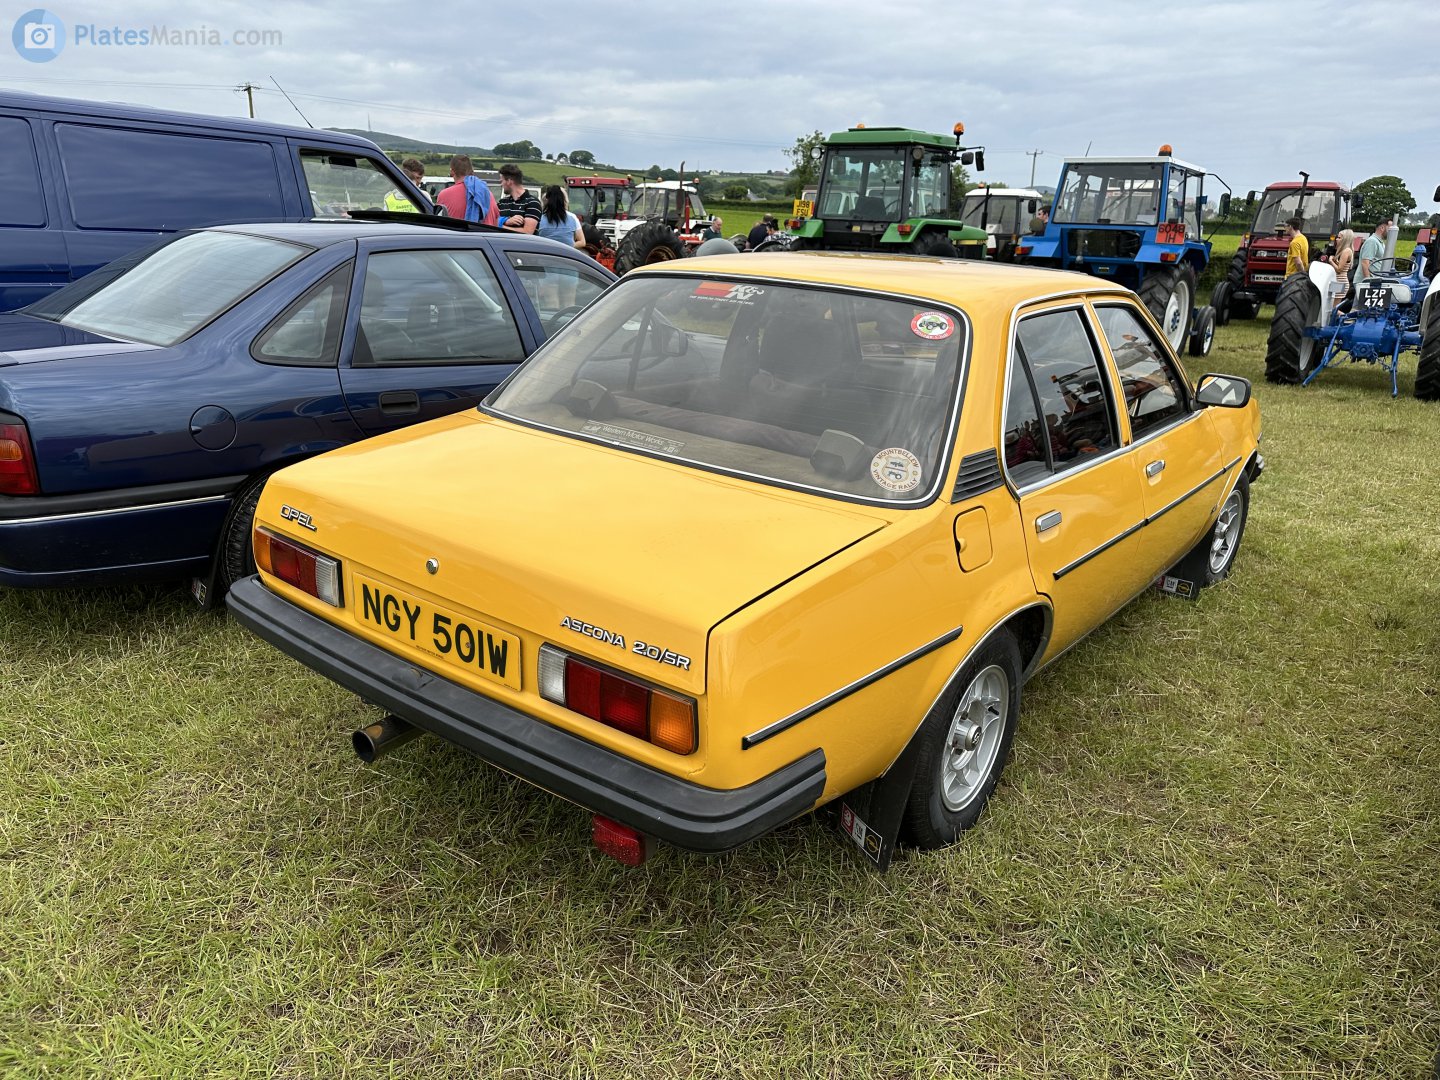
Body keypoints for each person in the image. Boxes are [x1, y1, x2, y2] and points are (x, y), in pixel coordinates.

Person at [436, 155, 498, 225]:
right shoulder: (488, 194)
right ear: (472, 171)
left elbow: (438, 224)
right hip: (486, 232)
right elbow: (496, 223)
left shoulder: (444, 195)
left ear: (452, 172)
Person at [497, 164, 542, 235]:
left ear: (509, 181)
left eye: (501, 181)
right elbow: (490, 221)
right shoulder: (502, 202)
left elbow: (527, 232)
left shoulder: (533, 203)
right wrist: (506, 221)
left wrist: (500, 226)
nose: (501, 184)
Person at [1353, 218, 1392, 289]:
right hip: (1366, 283)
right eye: (1390, 228)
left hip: (1374, 282)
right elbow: (1365, 263)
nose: (1392, 232)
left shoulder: (1380, 242)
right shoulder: (1372, 241)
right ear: (1382, 228)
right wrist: (1368, 282)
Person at [1328, 228, 1355, 306]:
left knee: (1333, 308)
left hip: (1340, 282)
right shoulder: (1345, 250)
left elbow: (1339, 269)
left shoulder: (1346, 251)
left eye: (1339, 238)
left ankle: (1349, 315)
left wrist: (1331, 261)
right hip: (1338, 281)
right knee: (1331, 307)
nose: (1336, 239)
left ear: (1345, 239)